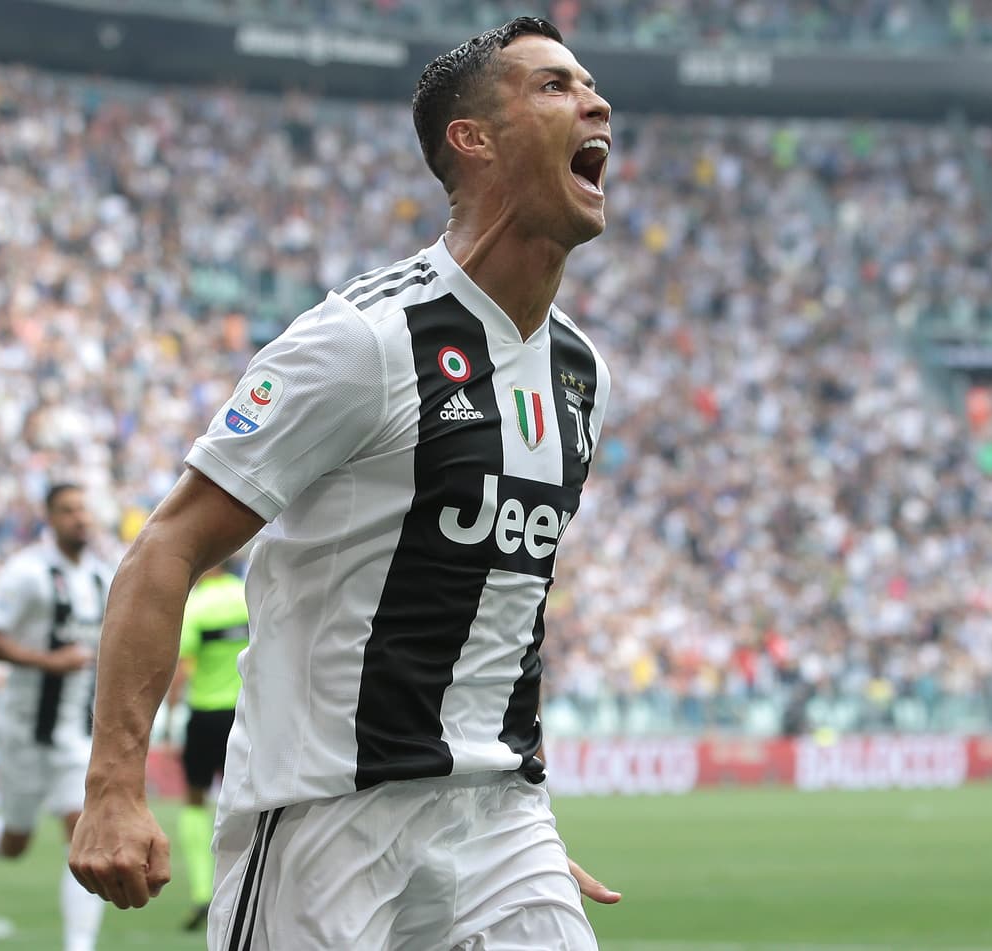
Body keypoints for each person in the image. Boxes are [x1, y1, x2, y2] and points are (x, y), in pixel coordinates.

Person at [70, 16, 621, 950]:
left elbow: (503, 608)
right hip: (326, 818)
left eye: (589, 85)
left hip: (500, 826)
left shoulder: (581, 373)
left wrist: (487, 816)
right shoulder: (363, 340)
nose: (595, 100)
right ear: (473, 139)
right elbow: (167, 547)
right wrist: (114, 786)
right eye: (554, 86)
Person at [0, 483, 113, 951]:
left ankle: (79, 944)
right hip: (22, 729)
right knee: (15, 842)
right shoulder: (27, 573)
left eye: (84, 508)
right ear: (49, 518)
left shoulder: (103, 577)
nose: (79, 518)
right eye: (68, 510)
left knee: (81, 832)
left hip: (74, 733)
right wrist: (48, 662)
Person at [164, 559, 251, 932]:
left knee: (194, 799)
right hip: (246, 713)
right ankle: (244, 884)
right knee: (244, 800)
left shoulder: (197, 605)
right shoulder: (246, 596)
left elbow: (182, 669)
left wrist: (169, 724)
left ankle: (203, 890)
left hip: (204, 716)